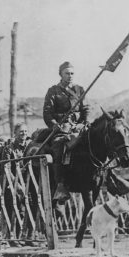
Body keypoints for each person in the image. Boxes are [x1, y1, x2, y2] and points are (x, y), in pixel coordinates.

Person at [43, 61, 90, 201]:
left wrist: (85, 121)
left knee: (96, 142)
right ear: (61, 75)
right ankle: (60, 185)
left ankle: (109, 178)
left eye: (72, 73)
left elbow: (86, 108)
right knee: (58, 147)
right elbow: (47, 112)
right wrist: (54, 125)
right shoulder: (53, 91)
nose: (70, 76)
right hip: (62, 128)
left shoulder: (79, 90)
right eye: (67, 73)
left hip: (79, 127)